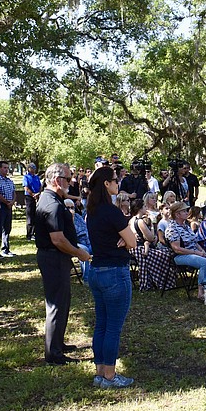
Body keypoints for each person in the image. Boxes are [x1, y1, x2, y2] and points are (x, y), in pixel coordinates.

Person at [85, 166, 137, 388]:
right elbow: (133, 242)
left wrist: (124, 239)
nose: (118, 183)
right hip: (115, 272)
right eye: (115, 180)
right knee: (113, 327)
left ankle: (100, 372)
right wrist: (125, 240)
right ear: (106, 183)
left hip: (96, 271)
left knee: (102, 325)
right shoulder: (112, 212)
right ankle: (109, 376)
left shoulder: (92, 211)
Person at [34, 163, 91, 365]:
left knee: (62, 302)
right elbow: (58, 239)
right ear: (57, 180)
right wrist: (78, 252)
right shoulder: (52, 205)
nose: (71, 181)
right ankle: (53, 354)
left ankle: (58, 343)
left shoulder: (53, 199)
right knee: (56, 305)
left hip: (56, 257)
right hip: (53, 257)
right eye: (68, 178)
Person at [167, 201, 206, 302]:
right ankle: (201, 293)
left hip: (194, 252)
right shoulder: (172, 228)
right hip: (179, 256)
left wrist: (202, 251)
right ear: (177, 214)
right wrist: (196, 253)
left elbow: (195, 241)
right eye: (184, 211)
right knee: (205, 263)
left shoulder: (186, 226)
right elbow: (177, 249)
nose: (187, 212)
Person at [0, 160, 16, 258]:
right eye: (4, 168)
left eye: (7, 168)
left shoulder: (9, 180)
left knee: (7, 228)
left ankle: (5, 249)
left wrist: (12, 202)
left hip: (9, 206)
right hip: (1, 206)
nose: (6, 170)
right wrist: (6, 202)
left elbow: (14, 192)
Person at [23, 163, 41, 241]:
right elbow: (26, 188)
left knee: (36, 215)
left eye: (34, 168)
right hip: (29, 197)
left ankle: (34, 233)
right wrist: (33, 195)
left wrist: (38, 193)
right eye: (32, 168)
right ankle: (29, 234)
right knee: (30, 216)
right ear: (29, 168)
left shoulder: (36, 177)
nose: (33, 169)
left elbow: (40, 186)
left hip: (37, 197)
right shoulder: (26, 177)